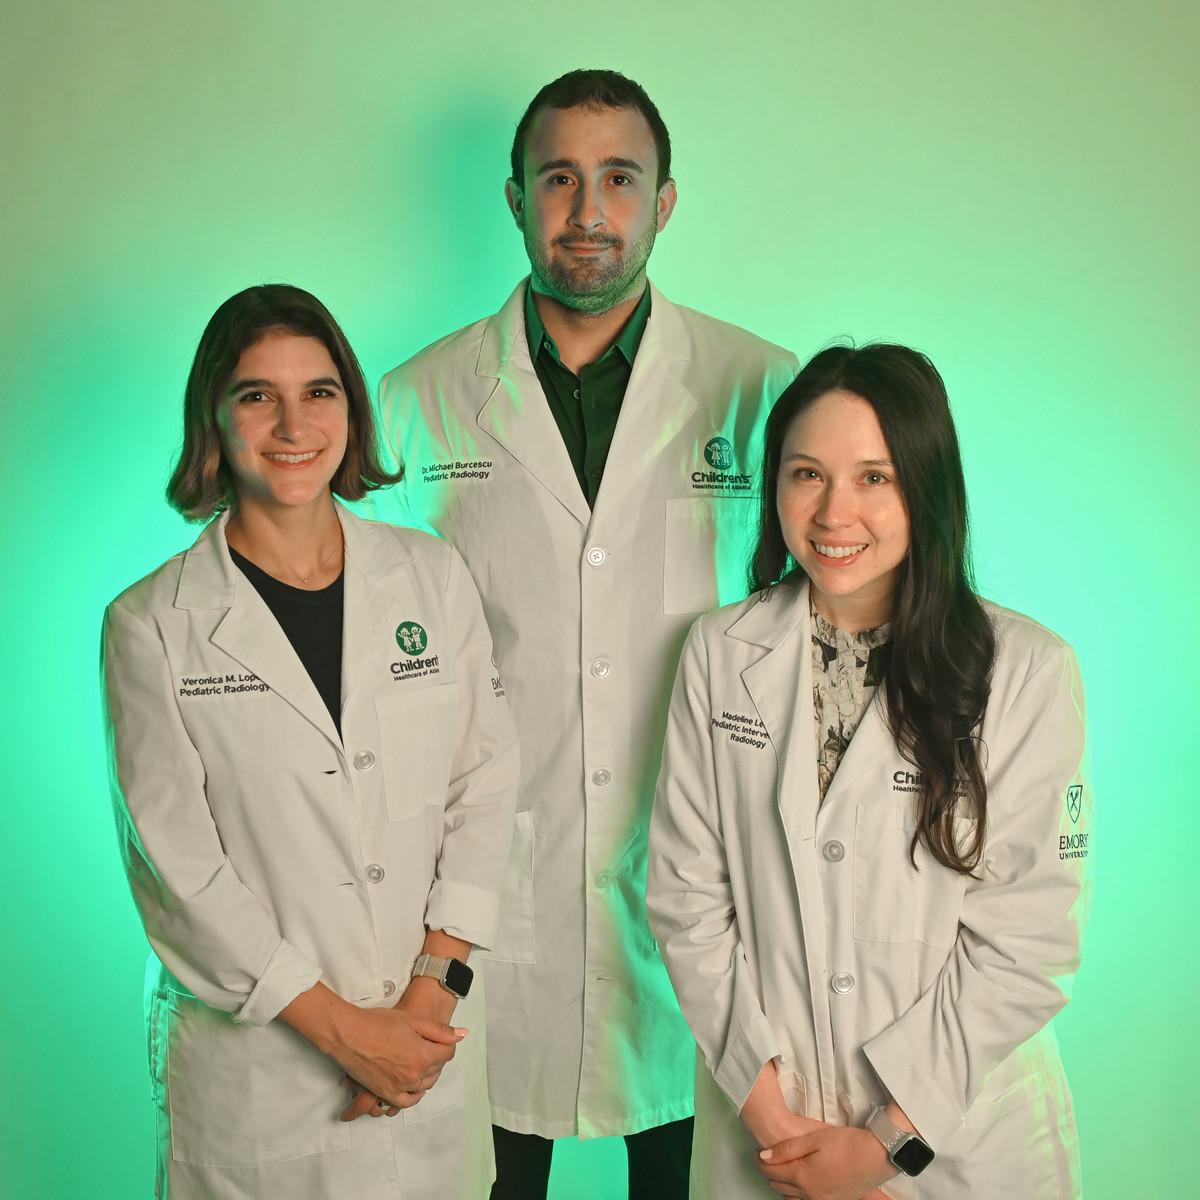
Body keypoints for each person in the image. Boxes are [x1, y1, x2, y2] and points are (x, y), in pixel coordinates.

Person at [363, 69, 798, 1200]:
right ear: (514, 197)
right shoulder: (416, 403)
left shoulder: (763, 390)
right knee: (489, 1175)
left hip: (707, 886)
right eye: (559, 179)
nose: (588, 210)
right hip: (486, 893)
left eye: (619, 179)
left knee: (688, 1172)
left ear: (664, 201)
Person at [101, 284, 519, 1199]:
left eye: (319, 391)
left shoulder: (431, 577)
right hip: (262, 1080)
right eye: (257, 394)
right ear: (214, 414)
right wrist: (345, 1032)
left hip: (424, 1052)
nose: (293, 422)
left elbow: (484, 787)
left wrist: (430, 994)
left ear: (352, 409)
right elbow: (180, 875)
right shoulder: (151, 624)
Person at [646, 344, 1091, 1199]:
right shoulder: (718, 652)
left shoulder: (1028, 672)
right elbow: (685, 897)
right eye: (807, 474)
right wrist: (777, 1126)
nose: (833, 512)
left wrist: (887, 1143)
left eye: (874, 478)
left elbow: (1028, 941)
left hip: (957, 1146)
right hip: (770, 1132)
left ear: (926, 488)